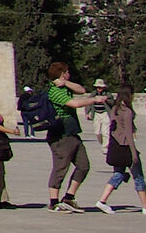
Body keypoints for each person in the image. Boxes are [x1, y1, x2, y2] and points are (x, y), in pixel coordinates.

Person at [44, 59, 103, 211]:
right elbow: (74, 103)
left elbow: (81, 90)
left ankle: (69, 197)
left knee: (83, 166)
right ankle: (54, 202)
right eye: (67, 72)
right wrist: (94, 100)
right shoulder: (54, 91)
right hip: (61, 134)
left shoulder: (64, 87)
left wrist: (66, 83)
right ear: (62, 74)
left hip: (72, 132)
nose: (69, 74)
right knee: (60, 168)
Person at [96, 92, 146, 214]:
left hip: (116, 146)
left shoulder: (115, 109)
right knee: (138, 176)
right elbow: (128, 134)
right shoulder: (127, 112)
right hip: (126, 147)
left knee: (118, 174)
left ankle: (102, 201)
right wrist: (134, 152)